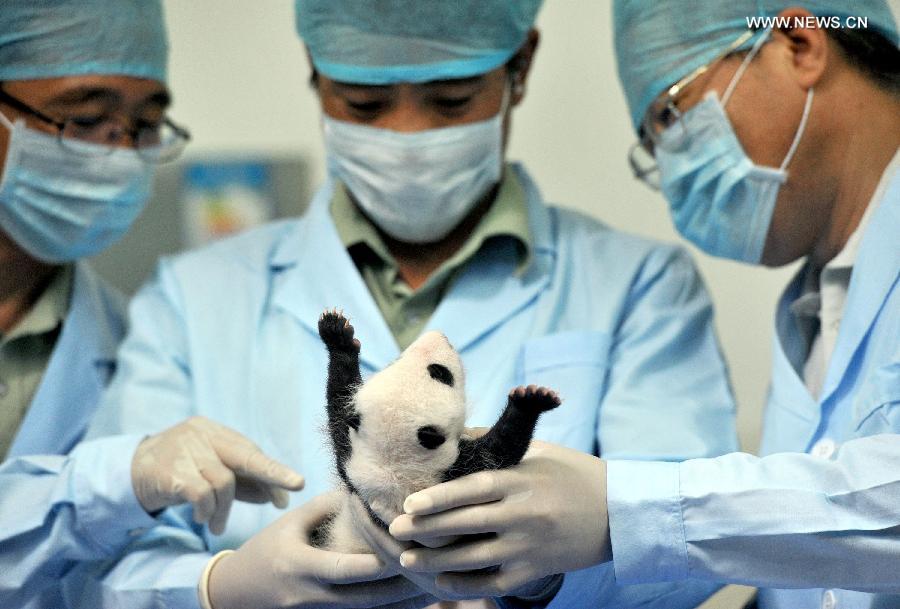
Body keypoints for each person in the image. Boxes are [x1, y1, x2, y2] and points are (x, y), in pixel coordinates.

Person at [74, 1, 743, 608]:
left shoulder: (640, 285)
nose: (407, 135)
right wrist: (221, 587)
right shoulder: (192, 300)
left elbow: (686, 545)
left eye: (451, 100)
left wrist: (547, 575)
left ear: (521, 66)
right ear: (315, 71)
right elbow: (98, 563)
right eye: (364, 103)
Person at [384, 1, 900, 608]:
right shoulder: (815, 308)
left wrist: (624, 509)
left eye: (671, 115)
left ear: (797, 44)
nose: (672, 171)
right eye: (651, 142)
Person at [0, 2, 304, 607]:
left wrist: (218, 584)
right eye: (86, 119)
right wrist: (105, 481)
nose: (118, 152)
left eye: (143, 127)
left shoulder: (132, 345)